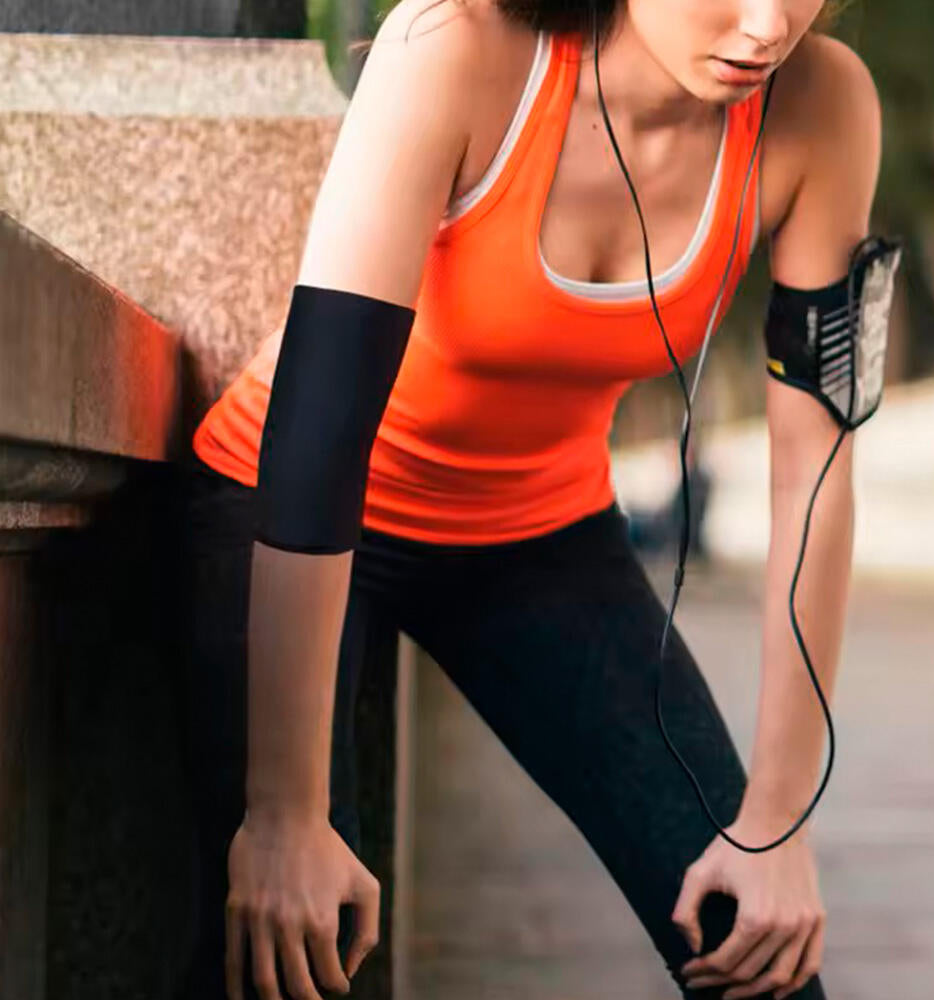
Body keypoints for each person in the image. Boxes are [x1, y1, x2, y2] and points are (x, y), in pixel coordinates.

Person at [177, 1, 881, 998]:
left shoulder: (823, 106)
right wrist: (287, 812)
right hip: (294, 505)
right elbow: (321, 430)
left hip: (538, 536)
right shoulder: (453, 45)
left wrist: (777, 816)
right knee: (286, 953)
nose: (769, 25)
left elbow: (812, 472)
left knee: (762, 958)